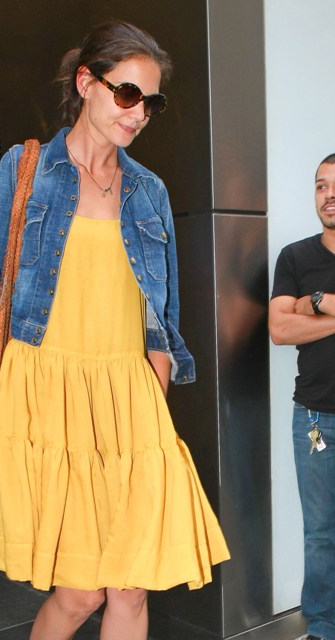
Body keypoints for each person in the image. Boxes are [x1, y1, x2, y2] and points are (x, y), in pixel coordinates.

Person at [0, 20, 229, 640]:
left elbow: (161, 314)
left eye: (151, 102)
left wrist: (155, 391)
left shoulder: (149, 191)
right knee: (80, 590)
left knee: (131, 584)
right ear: (86, 82)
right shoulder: (26, 168)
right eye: (126, 93)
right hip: (46, 391)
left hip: (127, 398)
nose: (138, 113)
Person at [269, 153, 335, 640]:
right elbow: (279, 328)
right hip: (316, 417)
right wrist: (324, 304)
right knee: (321, 532)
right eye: (321, 186)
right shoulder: (294, 257)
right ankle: (323, 625)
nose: (329, 195)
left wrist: (313, 305)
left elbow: (296, 319)